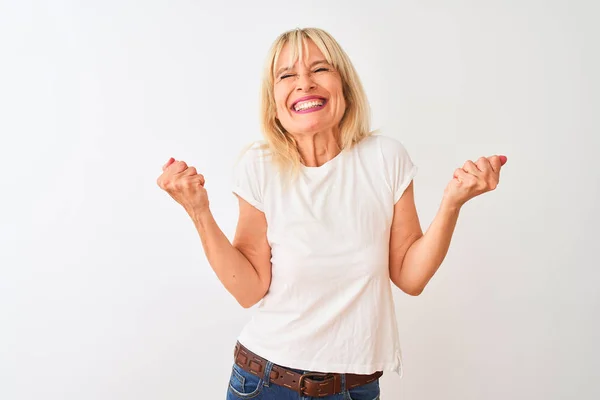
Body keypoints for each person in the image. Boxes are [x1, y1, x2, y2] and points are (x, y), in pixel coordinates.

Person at [157, 27, 507, 400]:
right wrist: (199, 212)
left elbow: (410, 276)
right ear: (274, 99)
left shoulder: (385, 158)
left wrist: (452, 202)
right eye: (287, 75)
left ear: (344, 84)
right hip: (266, 384)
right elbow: (248, 289)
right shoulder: (259, 167)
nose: (304, 84)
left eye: (320, 69)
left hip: (356, 388)